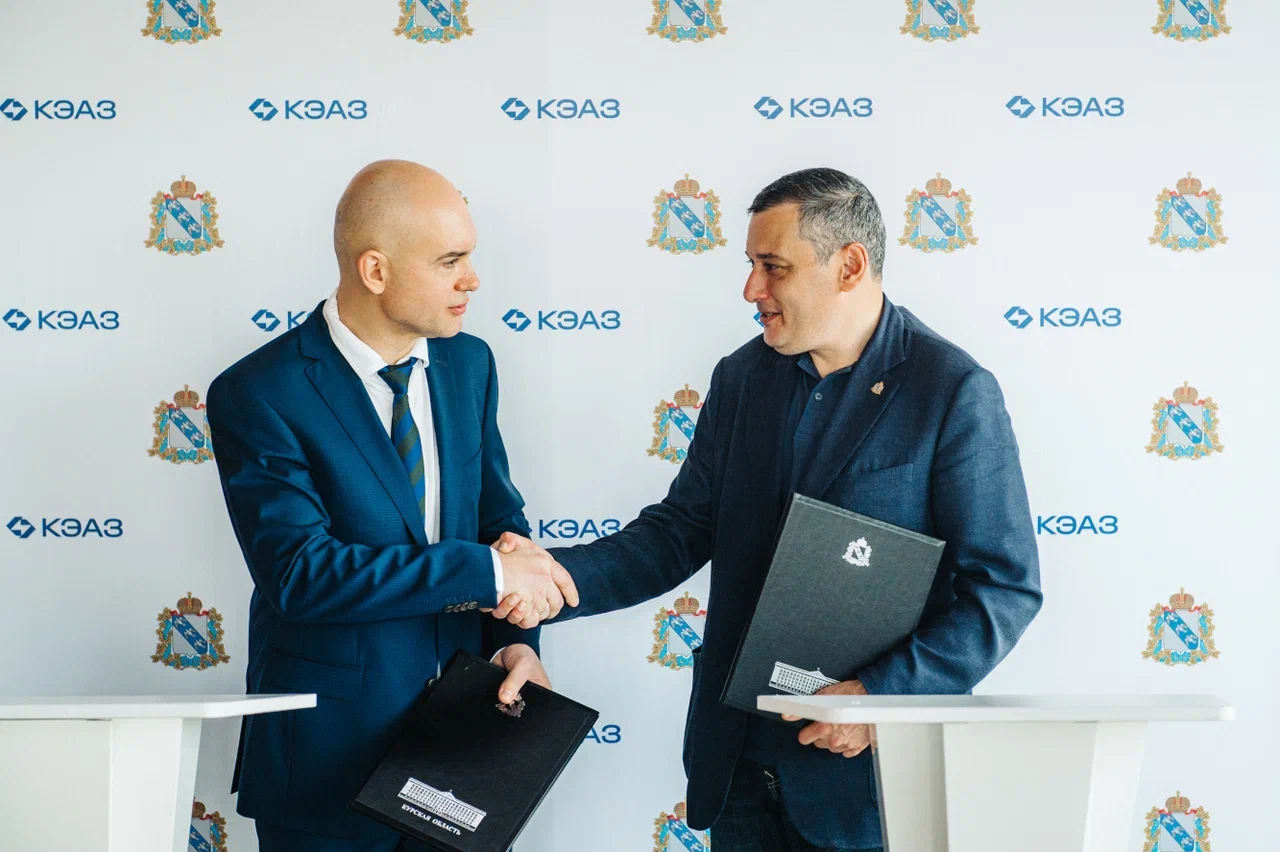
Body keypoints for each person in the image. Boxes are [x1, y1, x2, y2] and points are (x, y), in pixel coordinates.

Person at [490, 167, 1043, 852]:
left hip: (866, 785)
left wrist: (882, 696)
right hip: (738, 768)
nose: (751, 290)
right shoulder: (741, 377)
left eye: (773, 267)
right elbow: (680, 531)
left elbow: (1004, 587)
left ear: (849, 266)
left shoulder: (952, 390)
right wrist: (553, 579)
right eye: (751, 265)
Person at [206, 160, 576, 852]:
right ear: (375, 270)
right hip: (324, 767)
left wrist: (516, 644)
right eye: (450, 262)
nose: (473, 280)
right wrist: (487, 573)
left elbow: (499, 524)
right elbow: (301, 575)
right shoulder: (258, 392)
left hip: (461, 756)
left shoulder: (470, 364)